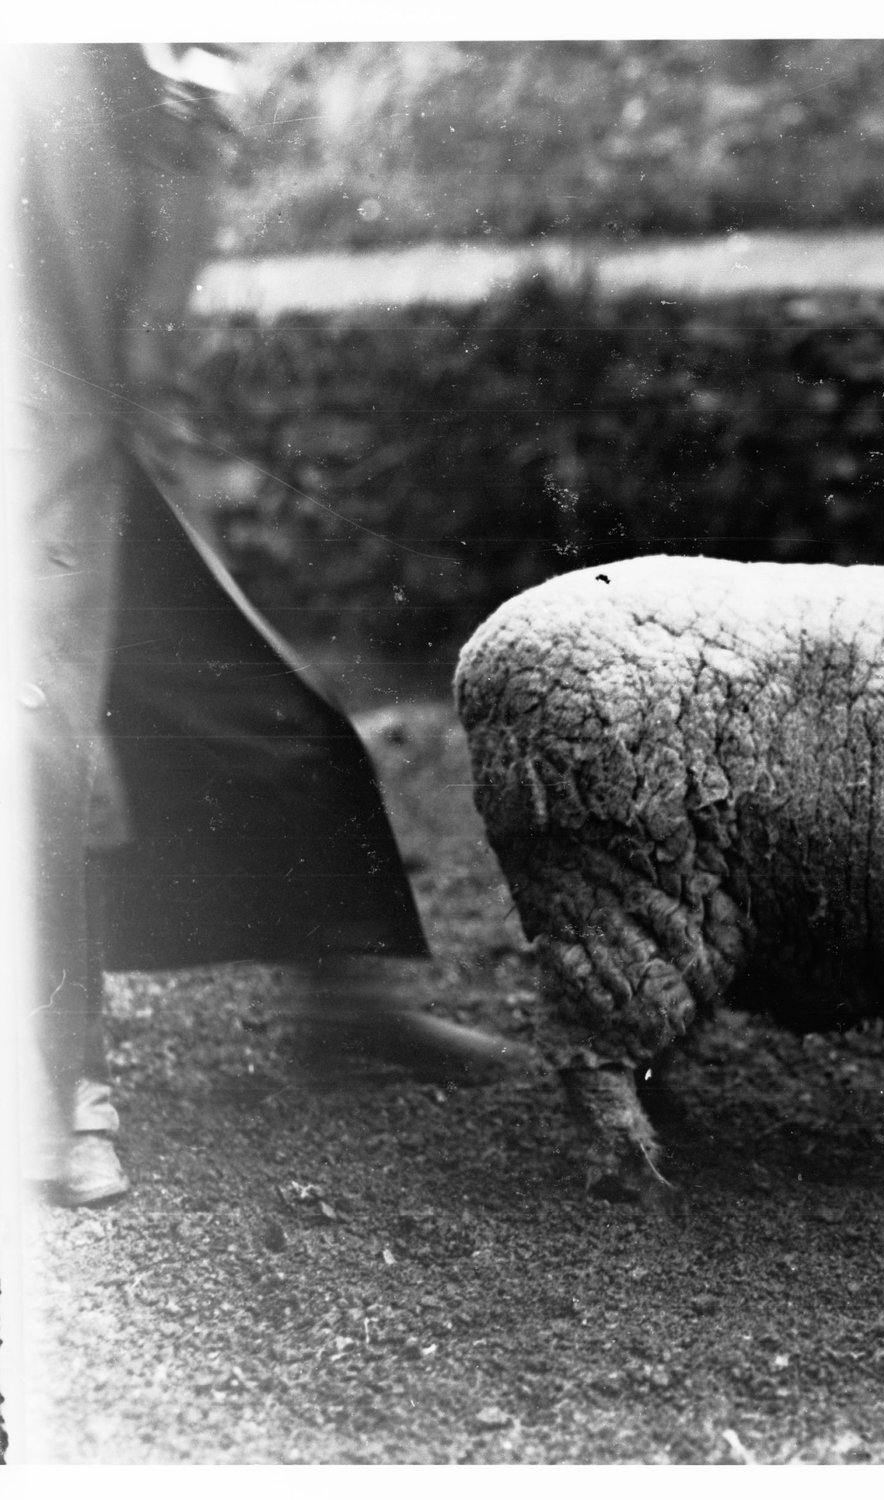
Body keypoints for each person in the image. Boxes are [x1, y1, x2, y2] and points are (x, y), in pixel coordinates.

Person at [11, 44, 515, 1211]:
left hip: (95, 459)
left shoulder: (149, 83)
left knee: (259, 705)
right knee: (38, 762)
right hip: (30, 457)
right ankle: (49, 1093)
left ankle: (347, 1006)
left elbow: (145, 330)